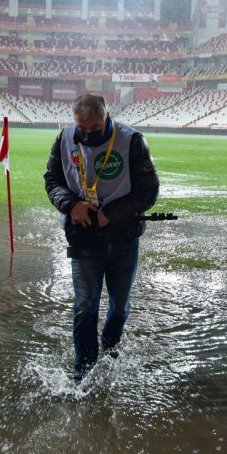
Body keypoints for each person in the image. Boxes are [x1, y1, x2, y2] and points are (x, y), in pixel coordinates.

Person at [44, 93, 159, 378]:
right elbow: (52, 180)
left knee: (119, 306)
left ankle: (110, 345)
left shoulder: (131, 141)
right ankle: (84, 367)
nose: (86, 134)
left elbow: (149, 191)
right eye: (81, 128)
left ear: (107, 116)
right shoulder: (64, 139)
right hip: (82, 239)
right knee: (85, 305)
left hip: (123, 239)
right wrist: (71, 205)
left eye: (94, 128)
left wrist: (114, 212)